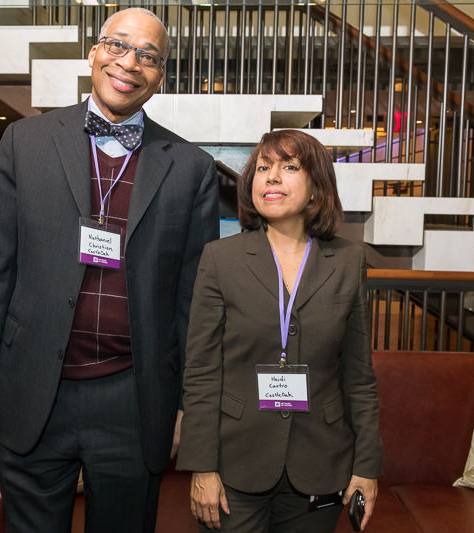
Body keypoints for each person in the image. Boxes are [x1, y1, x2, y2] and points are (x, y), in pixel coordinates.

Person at [0, 7, 219, 532]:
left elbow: (195, 304)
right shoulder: (24, 143)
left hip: (134, 400)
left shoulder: (191, 168)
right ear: (94, 52)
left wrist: (191, 406)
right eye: (118, 45)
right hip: (32, 390)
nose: (129, 63)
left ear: (160, 76)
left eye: (148, 56)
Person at [177, 129, 382, 532]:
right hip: (235, 462)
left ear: (316, 187)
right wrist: (202, 465)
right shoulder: (221, 259)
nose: (271, 176)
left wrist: (367, 466)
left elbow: (359, 376)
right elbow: (201, 372)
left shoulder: (347, 262)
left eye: (289, 167)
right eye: (262, 168)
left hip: (321, 461)